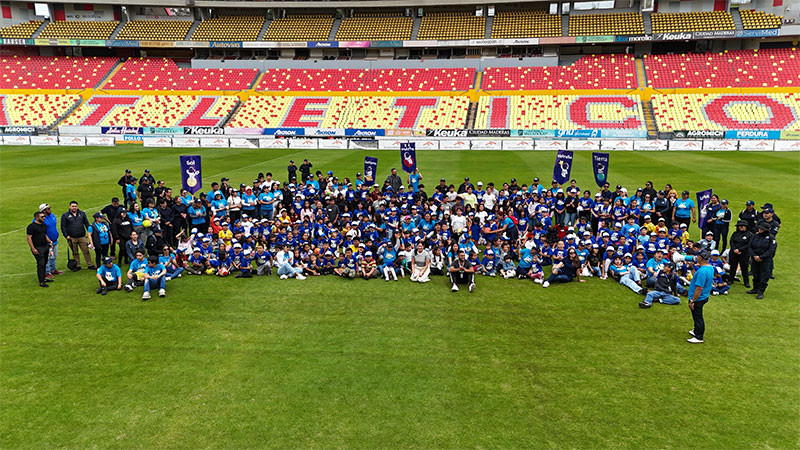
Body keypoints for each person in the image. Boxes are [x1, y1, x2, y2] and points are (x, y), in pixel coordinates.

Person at [60, 201, 95, 270]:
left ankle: (90, 264)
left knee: (86, 251)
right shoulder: (65, 215)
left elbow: (86, 223)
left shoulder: (82, 214)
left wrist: (89, 232)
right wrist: (66, 235)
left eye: (75, 206)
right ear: (69, 207)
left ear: (77, 206)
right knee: (75, 252)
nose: (74, 208)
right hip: (71, 237)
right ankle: (77, 265)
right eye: (72, 206)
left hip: (82, 236)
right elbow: (63, 226)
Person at [747, 222, 776, 300]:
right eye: (759, 228)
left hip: (765, 260)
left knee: (764, 275)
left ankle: (761, 291)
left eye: (761, 229)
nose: (759, 229)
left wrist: (761, 257)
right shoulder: (755, 236)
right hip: (755, 258)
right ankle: (755, 288)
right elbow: (750, 247)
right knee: (755, 274)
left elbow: (771, 250)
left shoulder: (771, 238)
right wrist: (754, 255)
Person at [27, 211, 53, 288]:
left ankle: (44, 278)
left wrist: (49, 241)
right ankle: (41, 281)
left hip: (45, 246)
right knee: (40, 264)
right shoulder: (31, 226)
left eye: (44, 216)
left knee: (45, 262)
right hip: (37, 248)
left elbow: (44, 235)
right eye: (42, 217)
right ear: (36, 217)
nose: (44, 218)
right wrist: (33, 248)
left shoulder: (43, 225)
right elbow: (29, 238)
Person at [38, 203, 62, 278]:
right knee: (47, 257)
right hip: (46, 242)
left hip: (54, 240)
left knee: (54, 256)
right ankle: (47, 272)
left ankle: (53, 269)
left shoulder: (52, 215)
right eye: (48, 209)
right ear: (44, 211)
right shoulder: (41, 218)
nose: (50, 209)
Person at [727, 219, 752, 288]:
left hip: (744, 253)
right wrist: (734, 249)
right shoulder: (735, 233)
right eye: (739, 226)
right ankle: (730, 280)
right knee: (733, 267)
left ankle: (746, 282)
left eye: (742, 226)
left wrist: (740, 249)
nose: (740, 227)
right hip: (734, 252)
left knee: (744, 268)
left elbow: (749, 244)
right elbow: (731, 241)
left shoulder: (749, 235)